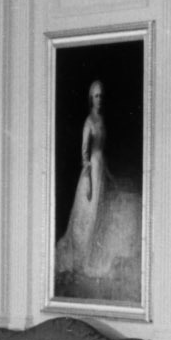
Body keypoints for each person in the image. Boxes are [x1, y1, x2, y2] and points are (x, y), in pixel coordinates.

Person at [55, 77, 140, 300]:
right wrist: (89, 182)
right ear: (90, 99)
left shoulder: (101, 120)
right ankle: (83, 257)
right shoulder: (89, 122)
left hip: (101, 169)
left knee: (100, 215)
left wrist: (107, 173)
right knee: (89, 216)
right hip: (91, 172)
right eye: (96, 96)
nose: (99, 100)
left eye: (101, 96)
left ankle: (93, 253)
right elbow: (85, 154)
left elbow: (102, 152)